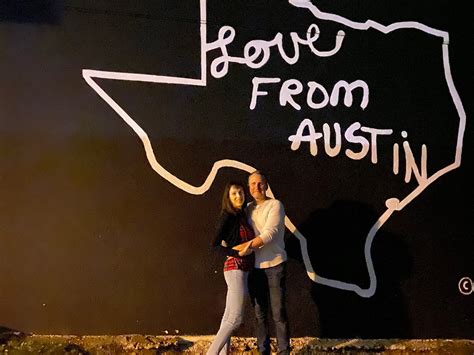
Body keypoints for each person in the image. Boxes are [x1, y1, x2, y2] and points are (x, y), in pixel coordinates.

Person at [242, 171, 290, 354]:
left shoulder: (276, 205)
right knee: (259, 315)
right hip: (255, 269)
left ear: (266, 185)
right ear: (249, 188)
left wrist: (243, 247)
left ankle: (284, 351)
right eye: (252, 184)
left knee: (278, 314)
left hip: (275, 266)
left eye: (260, 183)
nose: (256, 187)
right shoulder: (247, 209)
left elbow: (269, 234)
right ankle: (263, 352)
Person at [207, 181, 255, 355]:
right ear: (228, 197)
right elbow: (214, 246)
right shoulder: (227, 216)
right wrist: (237, 253)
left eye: (241, 192)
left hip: (242, 270)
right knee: (236, 318)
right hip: (235, 268)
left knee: (228, 318)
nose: (238, 196)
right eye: (234, 193)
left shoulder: (241, 216)